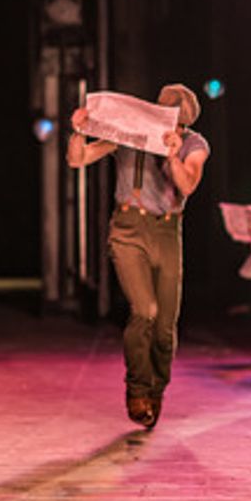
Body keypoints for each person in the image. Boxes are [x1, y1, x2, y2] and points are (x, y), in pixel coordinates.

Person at [67, 84, 208, 429]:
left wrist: (173, 154)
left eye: (181, 124)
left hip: (167, 231)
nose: (175, 128)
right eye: (170, 119)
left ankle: (155, 390)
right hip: (129, 229)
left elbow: (188, 185)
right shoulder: (131, 133)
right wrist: (77, 132)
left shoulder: (194, 144)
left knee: (164, 328)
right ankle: (137, 390)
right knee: (144, 311)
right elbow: (79, 158)